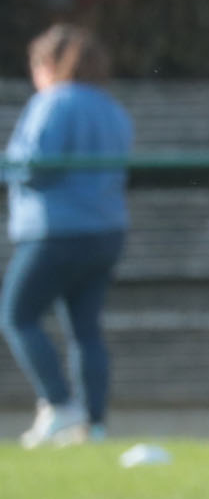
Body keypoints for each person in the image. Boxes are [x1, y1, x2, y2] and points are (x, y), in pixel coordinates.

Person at [4, 24, 131, 448]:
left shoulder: (53, 102)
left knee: (17, 315)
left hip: (54, 231)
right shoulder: (111, 108)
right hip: (106, 230)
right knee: (85, 329)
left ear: (47, 64)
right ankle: (93, 424)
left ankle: (58, 403)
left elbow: (34, 165)